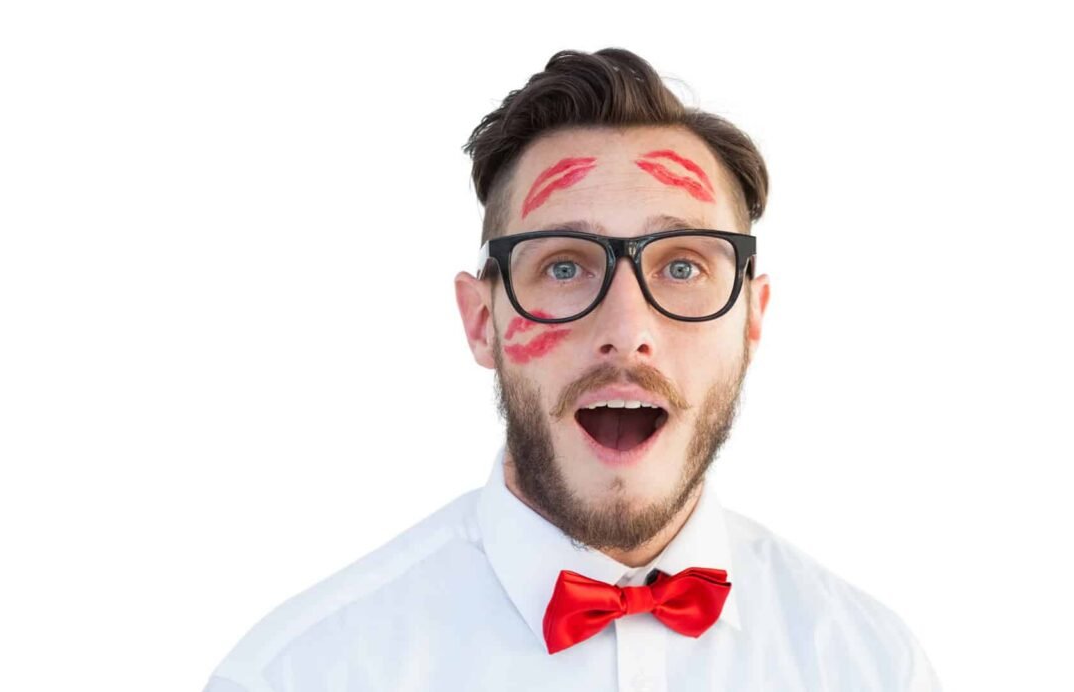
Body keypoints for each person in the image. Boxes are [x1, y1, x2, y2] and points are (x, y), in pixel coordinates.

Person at [203, 47, 942, 692]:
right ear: (480, 319)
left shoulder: (871, 668)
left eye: (683, 265)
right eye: (564, 265)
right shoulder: (301, 675)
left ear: (752, 317)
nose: (627, 332)